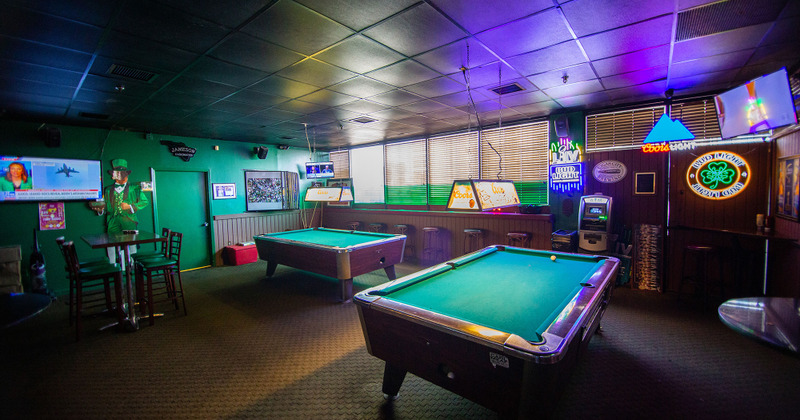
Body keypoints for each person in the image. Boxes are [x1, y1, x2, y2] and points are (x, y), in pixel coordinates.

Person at [103, 158, 149, 235]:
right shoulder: (108, 190)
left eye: (121, 174)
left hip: (129, 220)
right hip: (112, 220)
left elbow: (144, 201)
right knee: (111, 241)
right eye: (117, 174)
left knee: (131, 241)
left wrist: (130, 206)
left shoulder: (134, 188)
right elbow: (105, 205)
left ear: (126, 175)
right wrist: (100, 209)